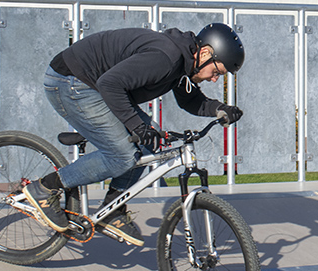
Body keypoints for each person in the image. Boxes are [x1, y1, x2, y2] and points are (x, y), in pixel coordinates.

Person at [22, 23, 245, 246]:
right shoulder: (166, 58)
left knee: (151, 141)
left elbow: (190, 100)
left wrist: (220, 109)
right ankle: (44, 188)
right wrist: (137, 127)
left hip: (95, 85)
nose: (214, 79)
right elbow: (109, 84)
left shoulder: (182, 63)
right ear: (205, 52)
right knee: (122, 155)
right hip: (71, 81)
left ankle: (112, 209)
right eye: (216, 72)